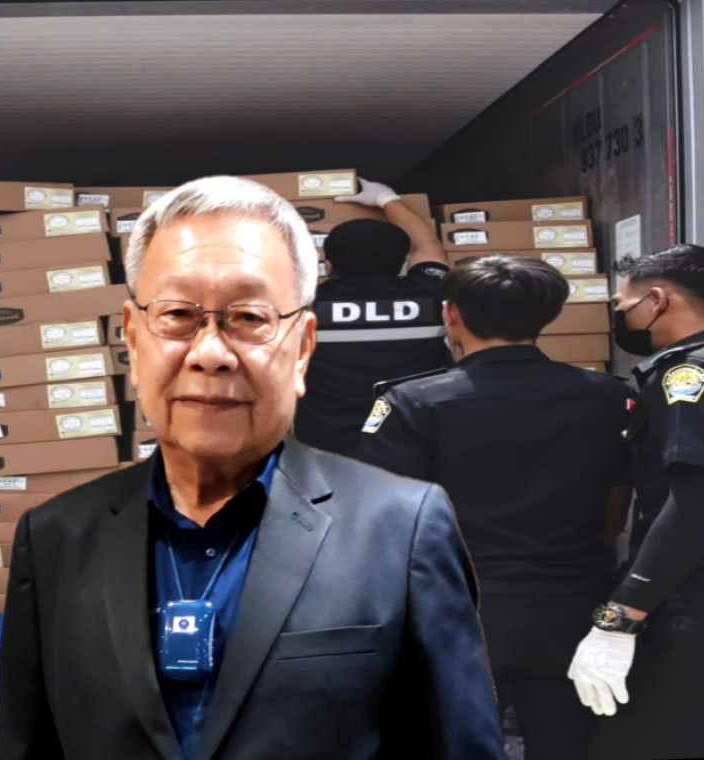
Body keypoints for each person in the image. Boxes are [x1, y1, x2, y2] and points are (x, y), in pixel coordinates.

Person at [0, 176, 504, 760]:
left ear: (303, 348)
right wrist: (391, 200)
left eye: (249, 317)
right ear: (132, 341)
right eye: (177, 314)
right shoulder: (56, 535)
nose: (211, 353)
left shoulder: (403, 528)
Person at [354, 255, 633, 760]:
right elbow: (616, 510)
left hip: (457, 607)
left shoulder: (413, 402)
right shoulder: (608, 396)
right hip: (575, 604)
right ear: (550, 315)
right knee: (567, 745)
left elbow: (383, 520)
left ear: (451, 314)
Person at [568, 244, 704, 759]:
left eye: (623, 307)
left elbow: (694, 503)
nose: (620, 317)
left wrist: (621, 617)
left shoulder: (685, 376)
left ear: (658, 300)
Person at [295, 178, 453, 456]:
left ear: (328, 266)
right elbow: (428, 247)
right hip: (414, 442)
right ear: (403, 263)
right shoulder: (429, 296)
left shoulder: (305, 307)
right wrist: (386, 199)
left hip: (330, 447)